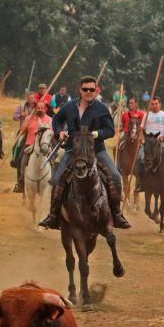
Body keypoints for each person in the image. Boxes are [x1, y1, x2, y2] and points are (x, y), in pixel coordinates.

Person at [39, 75, 130, 230]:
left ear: (96, 91)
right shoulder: (68, 106)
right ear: (79, 90)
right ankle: (53, 215)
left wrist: (95, 134)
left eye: (91, 89)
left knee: (114, 175)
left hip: (96, 150)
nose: (88, 92)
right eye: (85, 89)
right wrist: (59, 132)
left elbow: (109, 130)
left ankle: (116, 214)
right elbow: (56, 120)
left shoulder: (102, 108)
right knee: (57, 178)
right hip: (72, 150)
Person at [135, 97, 164, 190]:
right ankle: (141, 183)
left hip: (162, 140)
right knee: (139, 157)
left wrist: (163, 136)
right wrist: (140, 137)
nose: (154, 106)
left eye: (156, 103)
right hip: (149, 142)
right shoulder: (146, 115)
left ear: (160, 104)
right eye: (152, 104)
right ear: (150, 105)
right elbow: (141, 129)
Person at [13, 101, 52, 193]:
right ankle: (21, 183)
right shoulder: (29, 118)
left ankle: (53, 182)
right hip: (29, 144)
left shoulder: (49, 120)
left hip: (45, 145)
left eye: (42, 108)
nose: (40, 109)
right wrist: (26, 121)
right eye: (38, 108)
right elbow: (22, 130)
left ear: (45, 109)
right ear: (35, 108)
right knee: (20, 160)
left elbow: (53, 133)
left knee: (54, 160)